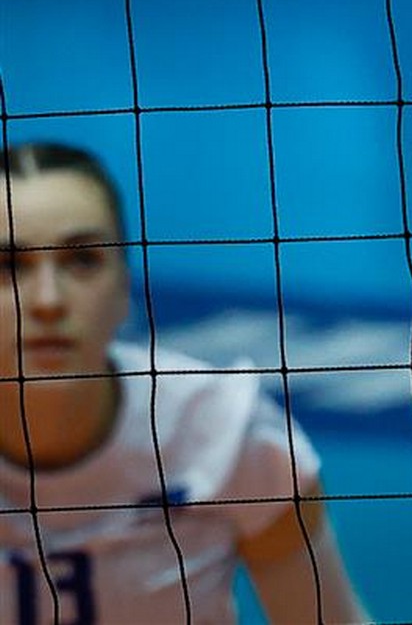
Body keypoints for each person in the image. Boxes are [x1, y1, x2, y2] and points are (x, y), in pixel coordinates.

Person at [0, 141, 370, 624]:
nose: (48, 300)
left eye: (83, 260)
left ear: (123, 287)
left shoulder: (224, 432)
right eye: (8, 266)